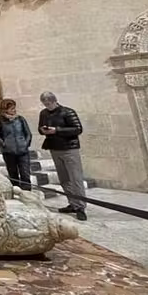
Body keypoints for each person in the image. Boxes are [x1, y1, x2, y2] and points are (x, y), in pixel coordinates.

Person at [38, 91, 87, 221]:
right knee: (64, 179)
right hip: (55, 148)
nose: (47, 106)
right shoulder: (43, 113)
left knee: (75, 178)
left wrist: (57, 130)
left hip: (69, 148)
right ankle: (73, 203)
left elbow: (77, 129)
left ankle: (81, 207)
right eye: (44, 103)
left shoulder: (68, 112)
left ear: (54, 101)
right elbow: (40, 128)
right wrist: (43, 130)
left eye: (49, 103)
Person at [0, 99, 32, 191]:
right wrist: (4, 144)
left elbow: (28, 133)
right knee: (13, 173)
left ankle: (27, 193)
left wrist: (26, 144)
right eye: (11, 109)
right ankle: (17, 193)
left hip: (23, 150)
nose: (14, 110)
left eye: (14, 108)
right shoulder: (0, 121)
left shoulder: (20, 119)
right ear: (4, 110)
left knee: (25, 173)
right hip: (8, 151)